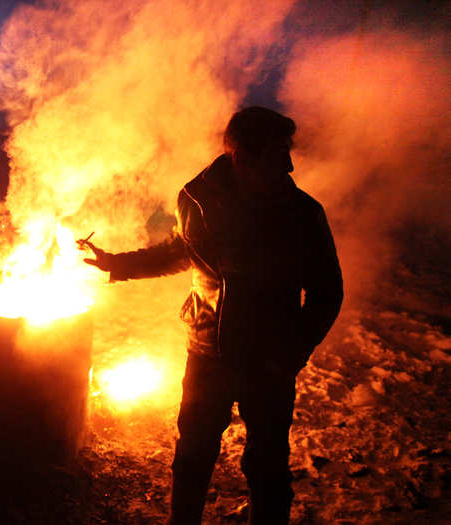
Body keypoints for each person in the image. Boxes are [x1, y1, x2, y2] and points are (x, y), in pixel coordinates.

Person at [79, 106, 343, 524]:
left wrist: (289, 355)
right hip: (207, 351)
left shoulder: (302, 213)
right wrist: (116, 264)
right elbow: (179, 252)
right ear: (242, 157)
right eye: (278, 153)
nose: (290, 165)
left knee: (268, 464)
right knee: (193, 456)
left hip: (270, 361)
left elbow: (328, 293)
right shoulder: (196, 200)